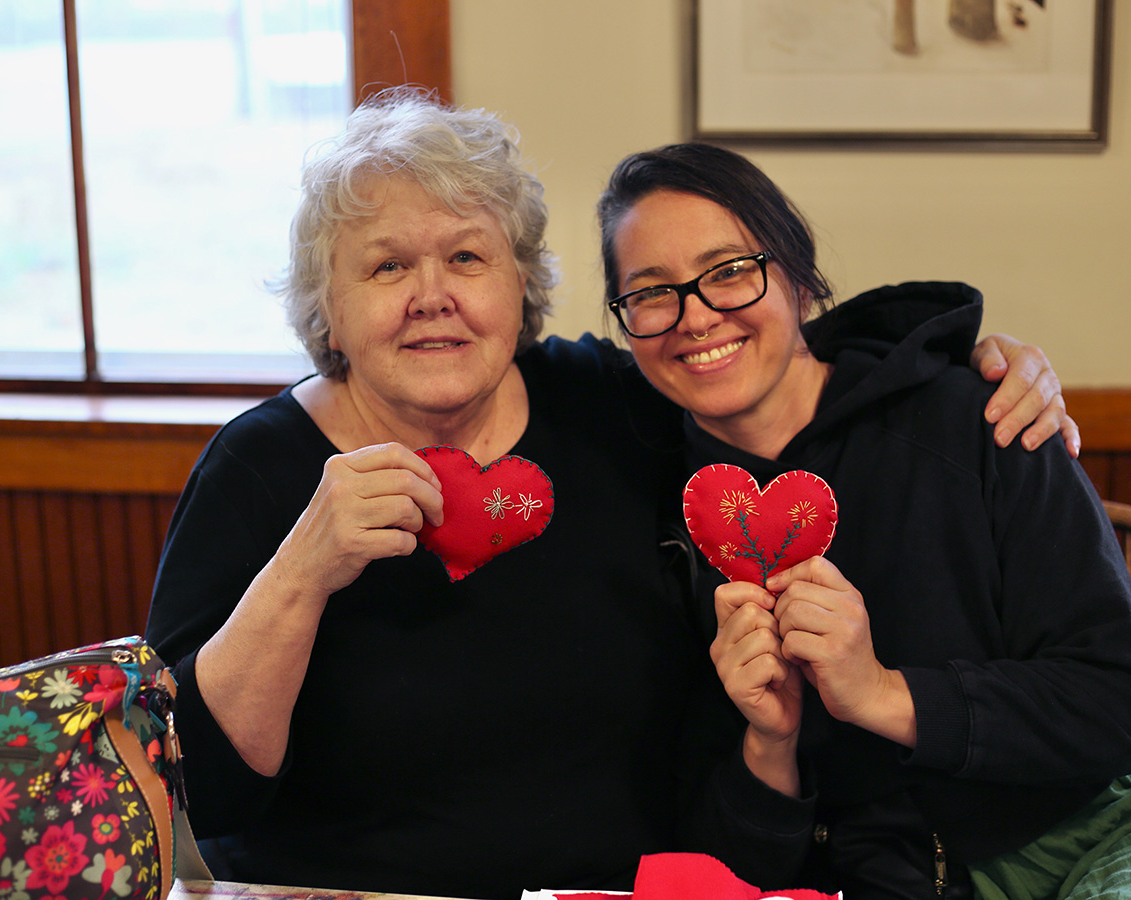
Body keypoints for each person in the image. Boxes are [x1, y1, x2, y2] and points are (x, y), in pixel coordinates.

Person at [145, 90, 1076, 900]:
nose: (433, 295)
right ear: (327, 309)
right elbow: (202, 792)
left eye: (467, 258)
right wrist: (303, 570)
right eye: (387, 266)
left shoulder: (615, 406)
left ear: (522, 284)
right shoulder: (259, 468)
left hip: (635, 891)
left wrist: (973, 365)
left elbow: (770, 359)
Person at [597, 142, 1131, 900]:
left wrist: (883, 695)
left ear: (799, 279)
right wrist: (770, 746)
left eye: (729, 271)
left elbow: (1114, 699)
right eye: (651, 292)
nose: (696, 316)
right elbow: (722, 855)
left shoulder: (982, 421)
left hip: (1081, 839)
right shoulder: (654, 509)